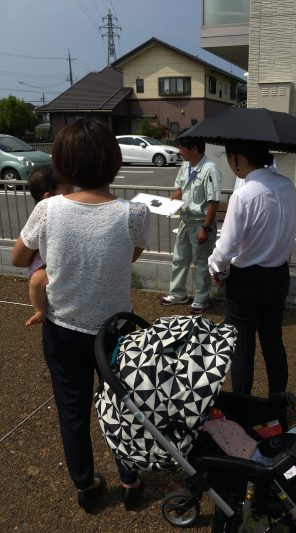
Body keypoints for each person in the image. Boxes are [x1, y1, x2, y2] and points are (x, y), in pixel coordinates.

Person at [12, 118, 150, 512]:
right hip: (116, 332)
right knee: (124, 406)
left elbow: (20, 257)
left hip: (63, 327)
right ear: (115, 161)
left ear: (63, 164)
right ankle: (130, 478)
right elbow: (130, 257)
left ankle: (86, 485)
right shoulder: (134, 213)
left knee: (71, 409)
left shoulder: (48, 209)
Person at [208, 140, 296, 396]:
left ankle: (243, 407)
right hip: (279, 274)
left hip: (246, 280)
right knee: (273, 341)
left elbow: (225, 248)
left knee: (242, 347)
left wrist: (217, 269)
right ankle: (278, 400)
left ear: (237, 158)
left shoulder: (244, 195)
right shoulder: (287, 186)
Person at [160, 137, 222, 314]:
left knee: (202, 262)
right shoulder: (187, 165)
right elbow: (181, 188)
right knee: (180, 258)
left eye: (182, 148)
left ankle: (201, 299)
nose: (179, 152)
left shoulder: (210, 169)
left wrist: (206, 228)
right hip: (185, 221)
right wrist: (173, 199)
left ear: (194, 148)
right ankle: (178, 294)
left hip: (200, 224)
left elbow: (213, 202)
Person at [25, 164, 73, 327]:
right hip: (42, 263)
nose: (73, 195)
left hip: (59, 260)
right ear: (48, 197)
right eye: (68, 191)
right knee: (38, 280)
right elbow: (21, 251)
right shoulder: (43, 214)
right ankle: (39, 310)